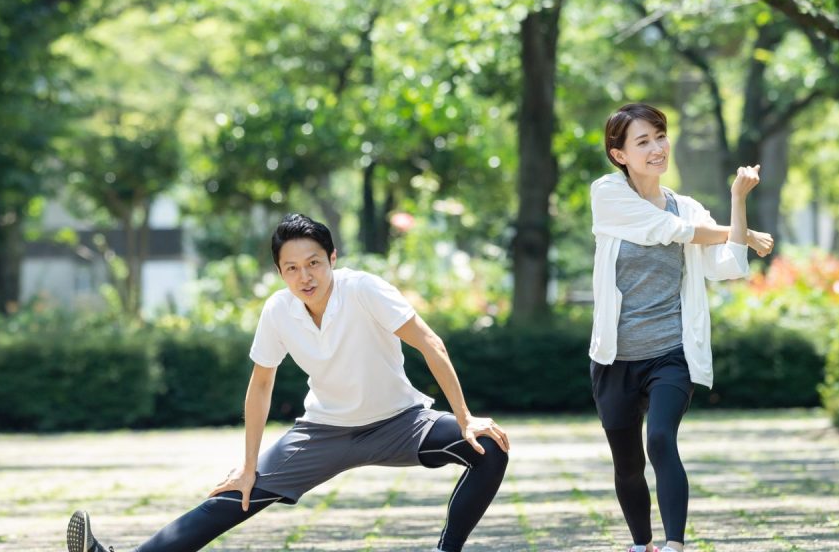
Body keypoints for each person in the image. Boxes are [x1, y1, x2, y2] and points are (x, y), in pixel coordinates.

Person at [67, 213, 510, 552]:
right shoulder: (278, 311)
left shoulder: (365, 290)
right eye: (292, 268)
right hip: (322, 432)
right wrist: (247, 465)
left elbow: (430, 342)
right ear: (281, 272)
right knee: (236, 496)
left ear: (332, 259)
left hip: (401, 422)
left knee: (488, 448)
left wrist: (466, 418)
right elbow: (260, 385)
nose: (306, 277)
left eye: (314, 263)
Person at [589, 103, 773, 552]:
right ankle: (641, 544)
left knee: (660, 439)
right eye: (643, 141)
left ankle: (674, 545)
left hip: (673, 351)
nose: (657, 148)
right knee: (628, 463)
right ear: (619, 155)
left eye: (660, 136)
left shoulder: (688, 207)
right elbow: (670, 231)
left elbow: (727, 264)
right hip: (615, 356)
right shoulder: (608, 194)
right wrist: (745, 233)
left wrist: (738, 200)